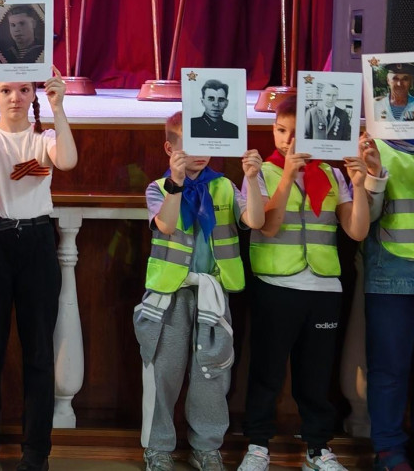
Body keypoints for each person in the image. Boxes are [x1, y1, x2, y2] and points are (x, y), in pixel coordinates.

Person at [235, 98, 368, 471]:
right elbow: (268, 226)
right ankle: (257, 446)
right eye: (281, 130)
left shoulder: (331, 174)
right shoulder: (261, 172)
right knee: (266, 372)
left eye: (296, 133)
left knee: (316, 375)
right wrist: (288, 177)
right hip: (275, 284)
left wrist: (359, 186)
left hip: (323, 288)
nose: (287, 140)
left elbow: (356, 230)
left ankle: (317, 449)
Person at [137, 112, 264, 471]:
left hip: (213, 292)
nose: (200, 152)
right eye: (191, 144)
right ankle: (157, 447)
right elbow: (166, 224)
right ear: (170, 148)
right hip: (171, 293)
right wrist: (176, 183)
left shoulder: (224, 186)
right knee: (164, 370)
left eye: (206, 143)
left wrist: (252, 179)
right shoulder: (158, 187)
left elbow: (255, 220)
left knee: (212, 372)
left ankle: (207, 446)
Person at [0, 68, 77, 471]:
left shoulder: (44, 138)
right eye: (5, 90)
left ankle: (35, 453)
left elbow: (68, 160)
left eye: (23, 90)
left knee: (39, 354)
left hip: (37, 243)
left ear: (34, 95)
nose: (14, 97)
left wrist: (59, 108)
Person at [359, 130, 414, 471]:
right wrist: (374, 174)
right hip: (391, 272)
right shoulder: (377, 145)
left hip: (390, 273)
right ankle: (389, 453)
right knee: (389, 369)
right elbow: (366, 218)